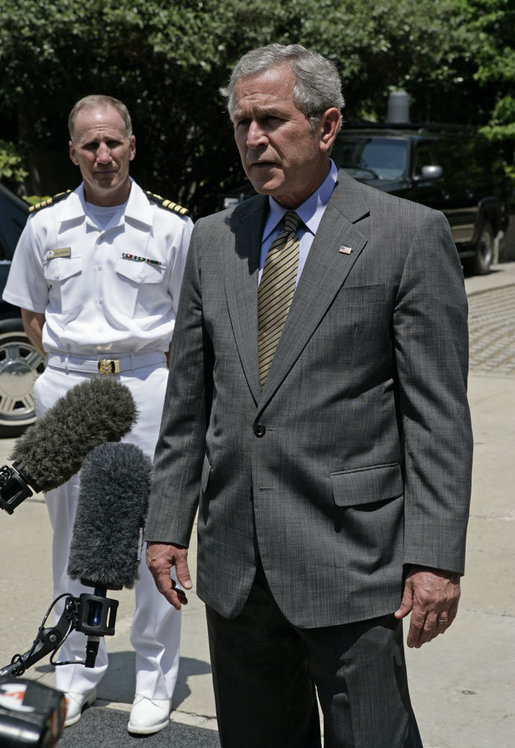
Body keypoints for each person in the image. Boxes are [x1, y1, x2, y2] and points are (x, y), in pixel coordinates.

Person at [145, 44, 473, 747]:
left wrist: (435, 557)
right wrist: (168, 524)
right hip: (237, 564)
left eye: (270, 120)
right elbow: (188, 405)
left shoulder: (407, 235)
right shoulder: (210, 241)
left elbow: (437, 416)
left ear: (325, 127)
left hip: (353, 560)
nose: (252, 138)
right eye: (241, 123)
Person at [3, 95, 193, 735]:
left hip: (146, 388)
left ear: (132, 146)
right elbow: (34, 316)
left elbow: (191, 322)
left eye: (113, 142)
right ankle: (76, 672)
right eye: (90, 145)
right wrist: (73, 363)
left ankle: (153, 679)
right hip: (69, 389)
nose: (103, 155)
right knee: (74, 539)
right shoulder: (46, 224)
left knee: (151, 540)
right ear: (73, 151)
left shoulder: (171, 227)